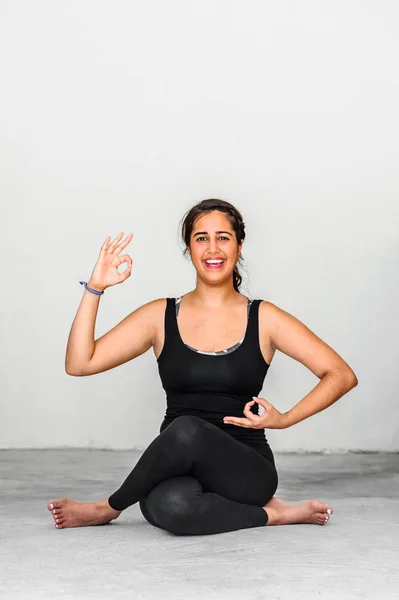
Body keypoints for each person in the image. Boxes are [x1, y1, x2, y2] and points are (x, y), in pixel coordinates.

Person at [48, 198, 358, 534]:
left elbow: (341, 375)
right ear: (189, 248)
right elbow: (79, 363)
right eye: (201, 238)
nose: (213, 248)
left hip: (245, 470)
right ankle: (279, 515)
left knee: (186, 428)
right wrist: (96, 287)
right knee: (171, 508)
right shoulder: (159, 316)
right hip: (177, 463)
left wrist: (284, 420)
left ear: (239, 245)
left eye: (223, 237)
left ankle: (105, 509)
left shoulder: (265, 318)